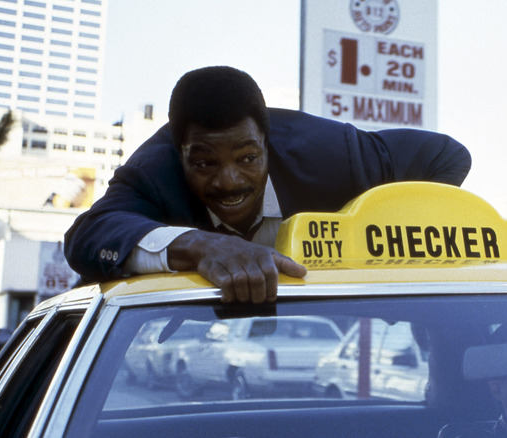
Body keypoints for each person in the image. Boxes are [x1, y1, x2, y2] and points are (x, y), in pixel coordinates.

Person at [64, 66, 471, 304]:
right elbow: (87, 236)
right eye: (204, 162)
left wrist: (366, 240)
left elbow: (447, 157)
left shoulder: (333, 154)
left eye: (247, 158)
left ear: (267, 142)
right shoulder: (153, 171)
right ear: (179, 151)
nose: (229, 181)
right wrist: (202, 245)